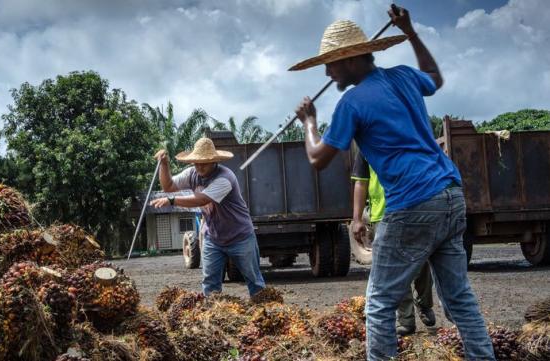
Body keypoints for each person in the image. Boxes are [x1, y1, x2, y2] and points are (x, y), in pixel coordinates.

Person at [289, 5, 494, 360]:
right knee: (458, 298)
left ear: (352, 59)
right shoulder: (402, 76)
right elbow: (434, 76)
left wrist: (309, 122)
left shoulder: (351, 102)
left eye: (332, 63)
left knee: (380, 302)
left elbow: (317, 158)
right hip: (450, 195)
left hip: (413, 203)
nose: (327, 71)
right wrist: (411, 31)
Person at [150, 137, 266, 297]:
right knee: (210, 284)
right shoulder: (192, 173)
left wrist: (172, 201)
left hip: (240, 237)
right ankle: (211, 317)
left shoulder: (225, 178)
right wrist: (164, 164)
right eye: (196, 162)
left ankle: (266, 312)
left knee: (255, 281)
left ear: (214, 161)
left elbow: (202, 199)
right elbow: (168, 186)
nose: (199, 166)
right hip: (213, 238)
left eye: (203, 162)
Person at [351, 151, 436, 336]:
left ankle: (424, 303)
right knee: (395, 270)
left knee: (421, 263)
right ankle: (406, 320)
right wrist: (357, 219)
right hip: (383, 215)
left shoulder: (404, 135)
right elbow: (360, 181)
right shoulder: (366, 148)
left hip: (413, 210)